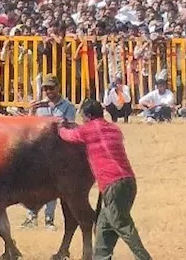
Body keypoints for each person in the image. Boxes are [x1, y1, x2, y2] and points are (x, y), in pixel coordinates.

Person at [57, 99, 152, 260]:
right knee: (103, 227)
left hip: (112, 183)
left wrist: (60, 127)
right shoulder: (115, 129)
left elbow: (68, 136)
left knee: (122, 225)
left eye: (82, 117)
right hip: (128, 181)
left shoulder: (87, 130)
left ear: (87, 116)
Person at [24, 75, 75, 229]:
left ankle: (49, 220)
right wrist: (31, 112)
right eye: (45, 88)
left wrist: (58, 122)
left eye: (51, 88)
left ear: (58, 87)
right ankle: (31, 218)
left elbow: (72, 127)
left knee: (52, 187)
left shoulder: (68, 107)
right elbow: (29, 126)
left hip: (58, 151)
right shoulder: (39, 106)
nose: (48, 91)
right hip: (39, 151)